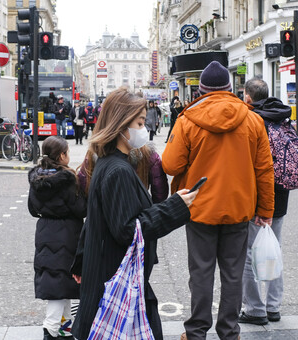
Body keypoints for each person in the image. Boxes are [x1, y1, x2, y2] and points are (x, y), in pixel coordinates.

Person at [70, 87, 198, 340]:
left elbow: (95, 220)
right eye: (139, 122)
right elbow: (128, 230)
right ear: (121, 124)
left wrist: (81, 260)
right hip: (118, 282)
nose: (144, 129)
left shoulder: (109, 163)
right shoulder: (118, 171)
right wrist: (176, 207)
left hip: (111, 278)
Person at [162, 61, 275, 340]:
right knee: (233, 273)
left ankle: (196, 331)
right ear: (229, 88)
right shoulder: (252, 119)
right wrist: (266, 210)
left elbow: (170, 165)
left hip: (199, 208)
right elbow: (264, 169)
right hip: (239, 208)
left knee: (200, 273)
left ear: (201, 90)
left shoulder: (188, 120)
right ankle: (229, 331)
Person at [239, 77, 291, 325]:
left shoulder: (250, 120)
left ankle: (254, 309)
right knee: (273, 250)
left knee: (249, 254)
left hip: (256, 196)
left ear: (247, 97)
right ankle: (273, 307)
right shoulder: (282, 117)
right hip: (280, 196)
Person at [27, 136, 87, 340]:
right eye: (68, 152)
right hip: (67, 234)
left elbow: (33, 209)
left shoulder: (37, 178)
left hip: (45, 232)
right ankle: (51, 331)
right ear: (62, 156)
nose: (69, 155)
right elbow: (81, 209)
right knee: (60, 286)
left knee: (62, 284)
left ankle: (64, 330)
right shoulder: (67, 180)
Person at [78, 143, 169, 204]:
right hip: (139, 214)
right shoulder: (148, 154)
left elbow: (84, 186)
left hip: (103, 217)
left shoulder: (94, 152)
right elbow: (160, 193)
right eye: (140, 123)